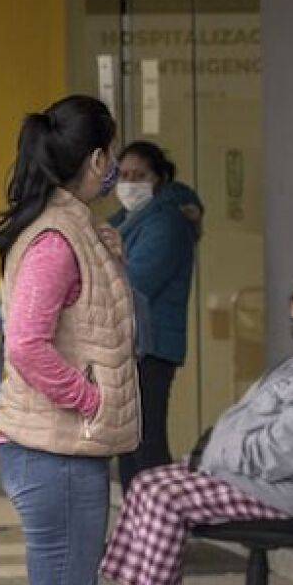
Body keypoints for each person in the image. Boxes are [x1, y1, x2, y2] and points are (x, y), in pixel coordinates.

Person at [0, 94, 147, 585]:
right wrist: (87, 398)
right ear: (95, 159)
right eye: (110, 154)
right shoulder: (55, 239)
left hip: (66, 451)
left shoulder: (78, 229)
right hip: (52, 451)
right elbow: (25, 344)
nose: (116, 167)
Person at [91, 278, 293, 585]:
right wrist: (214, 453)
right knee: (148, 481)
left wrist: (219, 456)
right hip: (247, 476)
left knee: (166, 497)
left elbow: (284, 453)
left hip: (282, 489)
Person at [110, 141, 200, 493]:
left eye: (139, 175)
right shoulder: (127, 221)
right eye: (124, 175)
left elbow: (136, 282)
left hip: (152, 347)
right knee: (129, 443)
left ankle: (161, 525)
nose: (129, 183)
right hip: (132, 345)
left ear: (159, 179)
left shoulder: (166, 223)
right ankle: (138, 530)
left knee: (147, 444)